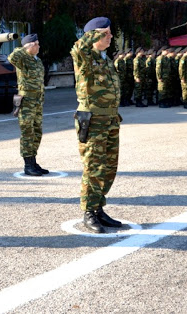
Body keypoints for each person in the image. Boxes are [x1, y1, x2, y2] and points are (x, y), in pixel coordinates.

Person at [70, 17, 123, 234]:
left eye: (110, 32)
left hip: (110, 120)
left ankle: (99, 207)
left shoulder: (105, 58)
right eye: (106, 33)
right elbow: (78, 46)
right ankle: (89, 211)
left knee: (109, 168)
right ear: (95, 34)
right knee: (93, 167)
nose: (110, 36)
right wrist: (95, 32)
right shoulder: (85, 56)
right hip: (93, 120)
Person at [8, 33, 49, 176]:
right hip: (27, 102)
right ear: (29, 46)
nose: (38, 46)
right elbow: (11, 57)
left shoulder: (37, 61)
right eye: (35, 44)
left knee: (37, 132)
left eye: (38, 43)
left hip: (37, 102)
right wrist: (24, 48)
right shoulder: (23, 59)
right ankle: (27, 165)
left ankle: (33, 161)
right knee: (27, 133)